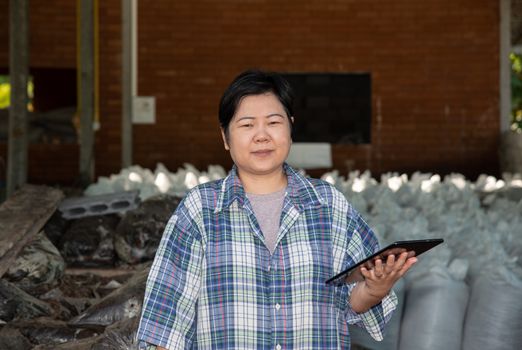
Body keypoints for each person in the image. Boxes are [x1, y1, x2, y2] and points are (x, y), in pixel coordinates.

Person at [136, 69, 417, 349]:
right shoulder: (201, 209)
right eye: (247, 125)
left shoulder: (328, 205)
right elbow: (166, 321)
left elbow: (350, 300)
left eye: (273, 122)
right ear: (225, 137)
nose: (262, 135)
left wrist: (375, 289)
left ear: (290, 127)